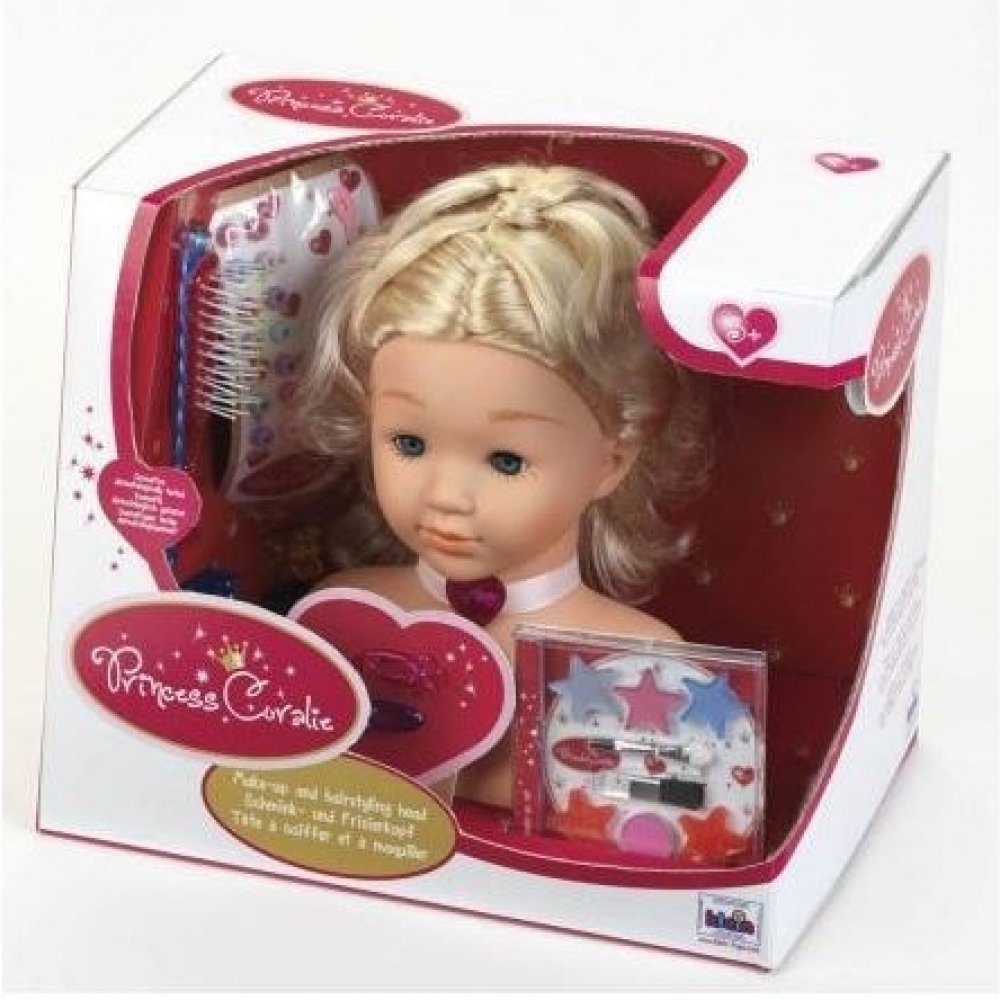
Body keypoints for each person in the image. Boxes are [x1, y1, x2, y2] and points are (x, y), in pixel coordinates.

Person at [294, 162, 708, 809]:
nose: (446, 495)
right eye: (409, 444)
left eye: (507, 461)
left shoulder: (641, 665)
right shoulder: (343, 615)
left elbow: (664, 822)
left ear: (612, 462)